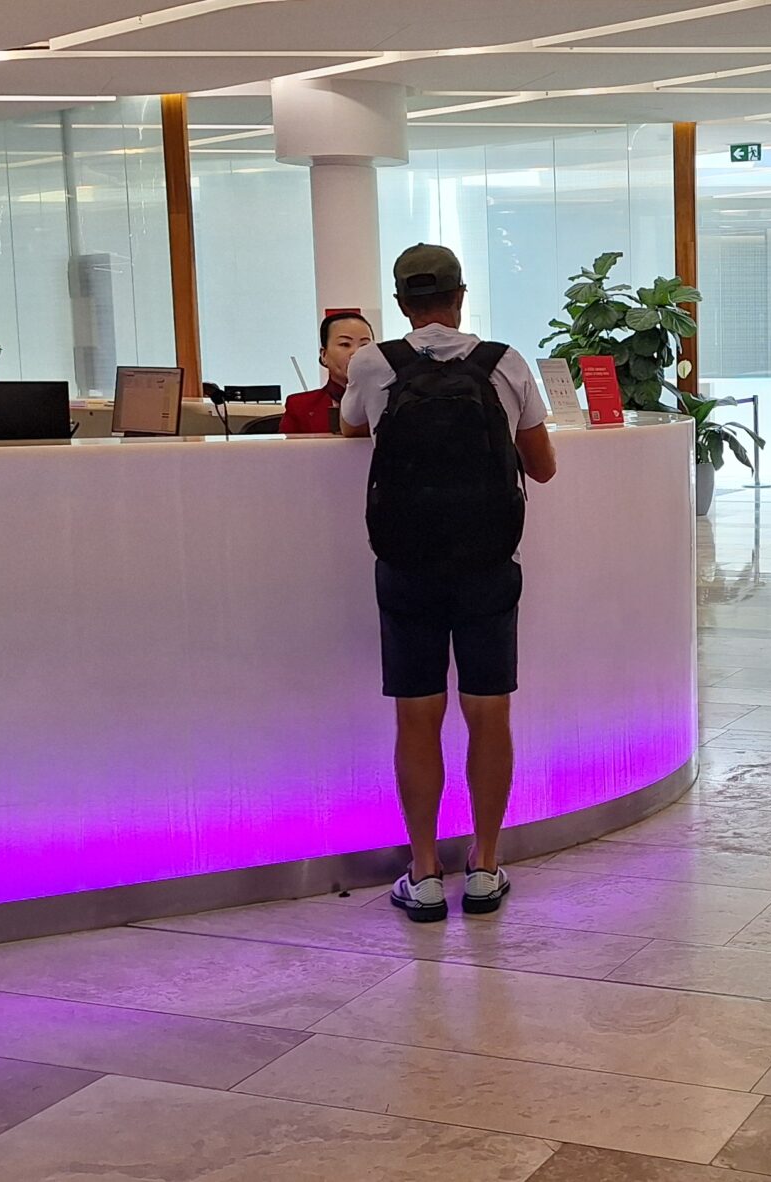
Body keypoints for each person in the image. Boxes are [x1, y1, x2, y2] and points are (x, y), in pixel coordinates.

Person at [340, 243, 559, 923]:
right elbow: (543, 467)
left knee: (418, 715)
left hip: (405, 567)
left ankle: (426, 871)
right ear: (461, 297)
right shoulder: (506, 362)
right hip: (489, 564)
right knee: (488, 712)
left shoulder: (376, 363)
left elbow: (351, 427)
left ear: (403, 304)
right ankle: (486, 866)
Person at [280, 311, 374, 434]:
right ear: (324, 355)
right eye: (345, 344)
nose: (356, 353)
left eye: (364, 346)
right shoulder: (300, 406)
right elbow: (286, 452)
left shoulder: (391, 402)